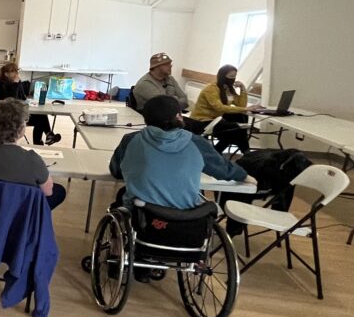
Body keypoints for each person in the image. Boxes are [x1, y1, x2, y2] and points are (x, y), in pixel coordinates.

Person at [109, 95, 252, 211]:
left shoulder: (131, 140)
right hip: (184, 213)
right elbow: (223, 170)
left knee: (123, 194)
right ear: (179, 116)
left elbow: (116, 171)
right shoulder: (196, 142)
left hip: (142, 210)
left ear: (146, 119)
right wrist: (245, 176)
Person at [0, 99, 67, 210]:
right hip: (18, 210)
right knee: (59, 191)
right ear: (20, 129)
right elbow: (48, 191)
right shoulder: (32, 160)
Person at [189, 64, 261, 155]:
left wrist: (242, 89)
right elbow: (219, 107)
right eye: (231, 76)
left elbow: (241, 104)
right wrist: (246, 108)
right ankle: (245, 153)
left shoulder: (228, 89)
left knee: (240, 118)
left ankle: (220, 152)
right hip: (202, 120)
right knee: (236, 130)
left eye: (234, 76)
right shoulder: (211, 89)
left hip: (216, 118)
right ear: (223, 76)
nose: (233, 79)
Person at [132, 52, 207, 135]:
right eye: (167, 64)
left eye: (170, 63)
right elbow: (165, 106)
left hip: (171, 117)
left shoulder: (170, 79)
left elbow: (184, 100)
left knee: (199, 126)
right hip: (156, 120)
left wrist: (172, 101)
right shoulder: (145, 83)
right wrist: (174, 99)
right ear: (156, 66)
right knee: (194, 128)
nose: (171, 66)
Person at [0, 62, 62, 145]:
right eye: (14, 72)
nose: (16, 74)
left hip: (18, 110)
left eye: (17, 71)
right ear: (6, 74)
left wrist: (19, 87)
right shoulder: (0, 82)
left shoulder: (15, 80)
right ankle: (42, 140)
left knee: (41, 115)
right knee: (40, 119)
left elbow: (23, 97)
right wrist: (15, 84)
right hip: (8, 116)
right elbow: (10, 100)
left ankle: (47, 137)